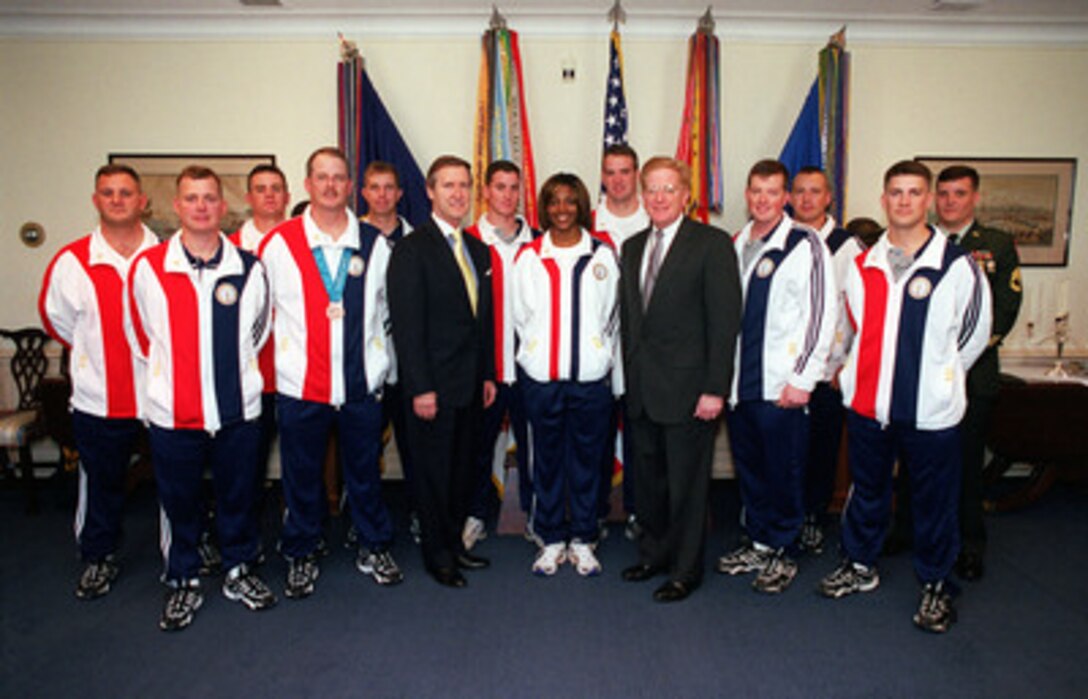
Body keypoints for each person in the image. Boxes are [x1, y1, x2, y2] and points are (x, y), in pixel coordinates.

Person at [818, 160, 991, 634]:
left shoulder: (957, 267)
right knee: (867, 491)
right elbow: (847, 328)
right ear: (883, 199)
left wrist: (941, 379)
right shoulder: (862, 264)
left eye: (914, 193)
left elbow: (974, 335)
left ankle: (936, 584)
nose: (904, 201)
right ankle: (859, 565)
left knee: (934, 500)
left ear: (929, 199)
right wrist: (849, 376)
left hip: (930, 412)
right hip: (870, 406)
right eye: (896, 192)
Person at [128, 165, 275, 631]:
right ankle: (184, 580)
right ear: (177, 206)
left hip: (236, 411)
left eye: (210, 198)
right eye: (192, 198)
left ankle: (237, 569)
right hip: (174, 412)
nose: (201, 207)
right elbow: (141, 335)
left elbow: (257, 331)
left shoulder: (250, 268)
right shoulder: (149, 268)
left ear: (224, 206)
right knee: (180, 501)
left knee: (238, 496)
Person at [259, 147, 402, 599]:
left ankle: (372, 543)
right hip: (302, 386)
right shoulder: (280, 243)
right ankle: (302, 550)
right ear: (307, 185)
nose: (330, 185)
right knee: (301, 475)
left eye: (339, 177)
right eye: (321, 177)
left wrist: (381, 367)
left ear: (349, 185)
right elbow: (259, 316)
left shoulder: (374, 243)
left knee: (365, 472)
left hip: (360, 385)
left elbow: (386, 312)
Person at [890, 164, 1022, 581]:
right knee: (912, 462)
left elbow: (1001, 310)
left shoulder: (994, 245)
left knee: (963, 467)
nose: (950, 202)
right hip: (917, 378)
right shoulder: (916, 244)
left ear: (974, 198)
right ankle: (907, 530)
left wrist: (952, 363)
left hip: (971, 377)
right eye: (944, 194)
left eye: (959, 194)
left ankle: (968, 543)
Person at [619, 156, 742, 603]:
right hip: (642, 390)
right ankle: (653, 555)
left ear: (686, 195)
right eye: (651, 188)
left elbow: (724, 323)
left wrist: (715, 388)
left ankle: (685, 570)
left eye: (668, 188)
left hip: (692, 393)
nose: (658, 197)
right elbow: (634, 323)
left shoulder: (711, 244)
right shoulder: (631, 247)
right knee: (649, 485)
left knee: (688, 488)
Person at [39, 164, 159, 601]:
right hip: (99, 398)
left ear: (141, 200)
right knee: (101, 485)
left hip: (160, 397)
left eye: (126, 192)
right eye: (108, 193)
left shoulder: (165, 254)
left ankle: (181, 552)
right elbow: (59, 322)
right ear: (95, 200)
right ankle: (98, 557)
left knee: (174, 482)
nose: (117, 200)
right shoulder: (72, 261)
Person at [717, 160, 836, 595]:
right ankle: (761, 540)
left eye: (772, 192)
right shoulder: (734, 242)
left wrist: (803, 377)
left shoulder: (805, 244)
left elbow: (821, 315)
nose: (762, 200)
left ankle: (783, 548)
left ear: (785, 197)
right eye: (755, 192)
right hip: (740, 386)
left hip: (781, 385)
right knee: (750, 470)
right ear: (747, 195)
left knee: (783, 471)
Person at [387, 155, 496, 588]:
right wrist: (420, 387)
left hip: (470, 385)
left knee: (462, 472)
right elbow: (408, 326)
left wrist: (487, 374)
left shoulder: (476, 248)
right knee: (433, 475)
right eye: (447, 185)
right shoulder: (413, 249)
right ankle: (437, 556)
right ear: (429, 192)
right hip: (432, 387)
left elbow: (481, 321)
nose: (457, 193)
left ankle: (455, 544)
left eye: (464, 185)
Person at [512, 172, 622, 577]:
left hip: (591, 380)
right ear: (545, 207)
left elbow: (609, 315)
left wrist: (592, 352)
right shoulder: (529, 256)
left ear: (582, 205)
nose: (562, 209)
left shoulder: (602, 255)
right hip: (542, 380)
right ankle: (551, 537)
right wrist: (540, 353)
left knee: (589, 460)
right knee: (547, 460)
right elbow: (522, 317)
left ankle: (584, 537)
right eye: (554, 201)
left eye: (570, 201)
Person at [788, 166, 864, 554]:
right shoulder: (780, 239)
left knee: (820, 450)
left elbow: (861, 312)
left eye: (814, 192)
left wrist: (846, 365)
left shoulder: (848, 247)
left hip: (827, 372)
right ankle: (784, 515)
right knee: (787, 451)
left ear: (828, 197)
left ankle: (813, 516)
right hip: (785, 371)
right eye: (799, 191)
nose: (806, 199)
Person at [464, 160, 537, 550]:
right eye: (500, 187)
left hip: (529, 369)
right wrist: (481, 371)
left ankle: (535, 515)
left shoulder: (539, 242)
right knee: (477, 447)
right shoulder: (467, 242)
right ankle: (475, 514)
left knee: (534, 447)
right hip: (486, 372)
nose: (507, 195)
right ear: (486, 191)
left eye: (514, 187)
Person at [358, 161, 418, 543]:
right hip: (365, 361)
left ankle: (417, 511)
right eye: (374, 187)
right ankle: (366, 518)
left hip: (409, 361)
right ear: (363, 193)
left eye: (389, 188)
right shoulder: (350, 238)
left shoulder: (417, 238)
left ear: (399, 194)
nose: (382, 195)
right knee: (364, 447)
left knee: (414, 445)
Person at [593, 143, 650, 541]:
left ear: (637, 175)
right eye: (610, 172)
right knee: (595, 435)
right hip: (596, 351)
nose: (617, 180)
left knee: (640, 439)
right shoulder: (586, 223)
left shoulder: (657, 221)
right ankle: (593, 510)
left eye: (625, 171)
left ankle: (638, 510)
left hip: (644, 356)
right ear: (602, 176)